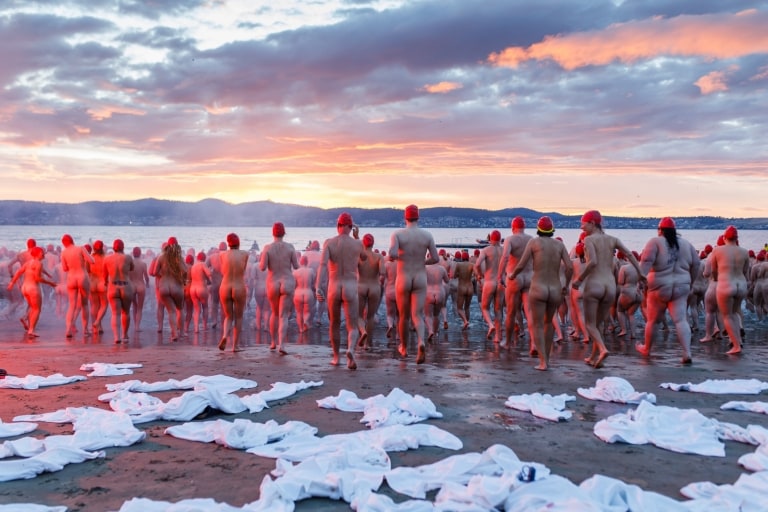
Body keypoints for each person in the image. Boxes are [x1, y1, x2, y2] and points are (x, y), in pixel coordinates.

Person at [572, 210, 644, 368]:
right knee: (599, 325)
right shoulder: (613, 239)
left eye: (583, 224)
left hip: (595, 284)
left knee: (590, 324)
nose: (582, 228)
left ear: (592, 223)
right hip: (610, 287)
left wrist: (579, 280)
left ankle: (603, 349)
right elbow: (630, 255)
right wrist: (641, 273)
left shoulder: (589, 240)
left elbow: (592, 263)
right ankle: (593, 357)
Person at [509, 216, 573, 370]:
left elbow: (521, 264)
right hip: (555, 288)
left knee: (537, 325)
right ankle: (547, 359)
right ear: (552, 229)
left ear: (538, 229)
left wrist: (512, 275)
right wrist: (566, 286)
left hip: (538, 287)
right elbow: (570, 267)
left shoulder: (534, 242)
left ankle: (543, 361)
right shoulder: (559, 244)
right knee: (548, 322)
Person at [635, 217, 700, 364]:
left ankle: (647, 349)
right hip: (682, 284)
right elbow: (696, 264)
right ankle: (687, 352)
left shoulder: (655, 242)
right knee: (680, 320)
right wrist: (691, 282)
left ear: (660, 230)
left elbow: (646, 262)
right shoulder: (686, 244)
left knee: (653, 321)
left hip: (659, 285)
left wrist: (640, 281)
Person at [388, 205, 439, 364]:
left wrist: (397, 257)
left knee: (403, 316)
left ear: (405, 218)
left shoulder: (397, 234)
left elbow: (391, 254)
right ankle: (421, 342)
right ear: (418, 217)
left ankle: (403, 347)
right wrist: (423, 261)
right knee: (417, 314)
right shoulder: (427, 235)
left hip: (403, 277)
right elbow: (436, 259)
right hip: (420, 277)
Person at [316, 213, 366, 369]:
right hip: (350, 286)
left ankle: (336, 358)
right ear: (351, 228)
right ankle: (350, 351)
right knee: (352, 325)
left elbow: (323, 266)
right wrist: (358, 237)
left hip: (334, 286)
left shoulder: (329, 243)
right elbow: (364, 258)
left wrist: (318, 286)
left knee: (334, 324)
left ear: (338, 226)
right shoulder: (357, 244)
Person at [709, 225, 749, 355]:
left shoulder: (717, 250)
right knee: (735, 313)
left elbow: (714, 270)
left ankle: (736, 345)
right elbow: (745, 271)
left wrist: (716, 278)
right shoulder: (744, 251)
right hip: (741, 285)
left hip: (726, 284)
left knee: (727, 315)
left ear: (724, 237)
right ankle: (738, 341)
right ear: (737, 238)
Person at [259, 223, 298, 354]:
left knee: (274, 313)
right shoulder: (290, 247)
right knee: (283, 316)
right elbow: (297, 266)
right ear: (284, 233)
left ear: (273, 233)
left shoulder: (267, 248)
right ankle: (282, 345)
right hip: (287, 281)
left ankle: (273, 342)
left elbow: (262, 267)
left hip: (273, 282)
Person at [497, 216, 534, 350]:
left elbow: (505, 256)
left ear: (512, 228)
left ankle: (507, 342)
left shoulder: (510, 239)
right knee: (529, 311)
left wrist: (500, 275)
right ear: (524, 227)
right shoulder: (531, 239)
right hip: (529, 276)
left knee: (511, 312)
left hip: (514, 276)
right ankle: (534, 343)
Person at [7, 246, 56, 337]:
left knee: (32, 308)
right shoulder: (38, 264)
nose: (44, 254)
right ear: (37, 254)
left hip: (25, 288)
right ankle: (31, 330)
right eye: (42, 252)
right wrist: (50, 283)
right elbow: (37, 278)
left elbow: (18, 272)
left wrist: (12, 283)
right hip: (33, 288)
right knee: (37, 309)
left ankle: (26, 320)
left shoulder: (28, 263)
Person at [219, 233, 250, 352]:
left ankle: (225, 336)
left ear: (228, 243)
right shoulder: (245, 254)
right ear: (239, 243)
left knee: (228, 316)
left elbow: (223, 270)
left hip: (225, 286)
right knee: (238, 317)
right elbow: (243, 270)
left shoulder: (222, 254)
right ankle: (235, 346)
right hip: (238, 286)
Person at [60, 234, 94, 338]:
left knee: (72, 306)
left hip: (71, 278)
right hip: (82, 276)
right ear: (72, 240)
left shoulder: (64, 252)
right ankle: (85, 330)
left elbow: (65, 268)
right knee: (84, 305)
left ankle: (68, 330)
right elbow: (91, 261)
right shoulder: (80, 248)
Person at [154, 237, 186, 341]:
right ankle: (181, 332)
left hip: (164, 286)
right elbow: (185, 271)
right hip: (176, 285)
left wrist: (163, 274)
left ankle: (174, 334)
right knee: (180, 309)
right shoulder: (179, 257)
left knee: (171, 312)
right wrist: (183, 281)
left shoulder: (161, 257)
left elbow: (154, 272)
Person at [103, 239, 135, 343]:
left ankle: (116, 337)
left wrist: (105, 283)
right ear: (123, 247)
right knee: (126, 312)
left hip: (113, 286)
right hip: (126, 286)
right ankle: (125, 336)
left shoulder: (107, 259)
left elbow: (104, 276)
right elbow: (131, 269)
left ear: (113, 248)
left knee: (115, 314)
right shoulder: (128, 257)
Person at [475, 229, 503, 342]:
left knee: (485, 307)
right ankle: (498, 336)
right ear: (500, 239)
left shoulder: (486, 250)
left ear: (490, 239)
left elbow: (477, 264)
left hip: (489, 281)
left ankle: (490, 325)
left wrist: (481, 275)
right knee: (498, 310)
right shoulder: (504, 250)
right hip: (501, 282)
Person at [357, 233, 384, 349]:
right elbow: (383, 272)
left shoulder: (359, 256)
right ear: (373, 243)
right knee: (370, 316)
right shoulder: (379, 257)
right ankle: (367, 344)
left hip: (361, 286)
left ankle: (363, 332)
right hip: (374, 287)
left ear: (363, 243)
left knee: (358, 316)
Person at [88, 240, 109, 335]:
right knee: (104, 305)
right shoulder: (106, 258)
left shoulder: (90, 258)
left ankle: (97, 326)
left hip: (92, 283)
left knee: (94, 305)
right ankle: (97, 322)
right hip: (102, 283)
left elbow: (87, 271)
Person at [189, 251, 212, 333]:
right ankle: (205, 326)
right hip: (201, 288)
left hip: (192, 289)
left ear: (197, 258)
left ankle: (196, 328)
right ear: (204, 258)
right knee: (205, 307)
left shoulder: (193, 266)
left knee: (196, 309)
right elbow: (209, 274)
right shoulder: (203, 264)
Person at [293, 255, 316, 333]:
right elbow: (313, 283)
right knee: (307, 311)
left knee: (299, 312)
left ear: (300, 262)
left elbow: (294, 285)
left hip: (298, 293)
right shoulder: (311, 271)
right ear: (307, 262)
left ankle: (301, 329)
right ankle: (306, 321)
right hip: (308, 292)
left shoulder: (295, 272)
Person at [129, 247, 150, 332]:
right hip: (140, 285)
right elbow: (146, 277)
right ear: (140, 254)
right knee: (140, 308)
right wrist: (147, 284)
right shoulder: (143, 264)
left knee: (134, 306)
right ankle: (137, 327)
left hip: (132, 286)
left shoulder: (129, 263)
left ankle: (135, 325)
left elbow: (127, 275)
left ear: (133, 254)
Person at [452, 251, 475, 330]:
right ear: (468, 258)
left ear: (462, 258)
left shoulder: (459, 264)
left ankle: (465, 321)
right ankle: (467, 324)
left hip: (462, 287)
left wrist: (459, 274)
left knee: (459, 308)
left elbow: (454, 276)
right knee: (467, 308)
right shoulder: (472, 265)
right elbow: (476, 275)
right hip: (470, 287)